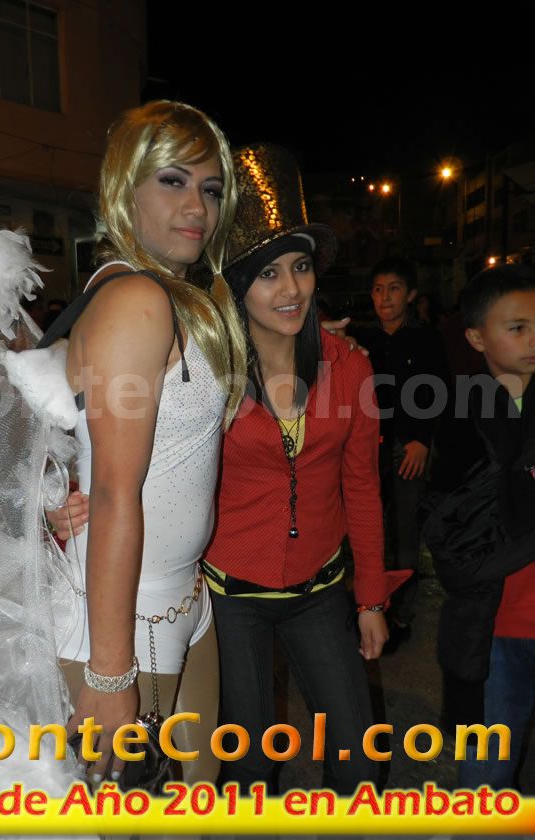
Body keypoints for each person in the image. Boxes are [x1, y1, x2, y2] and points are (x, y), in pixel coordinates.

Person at [200, 143, 411, 794]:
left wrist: (371, 599)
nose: (291, 289)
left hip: (320, 590)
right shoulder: (205, 374)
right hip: (230, 598)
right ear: (238, 284)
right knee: (248, 764)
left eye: (301, 267)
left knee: (359, 757)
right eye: (268, 274)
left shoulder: (350, 367)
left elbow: (363, 490)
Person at [48, 100, 247, 785]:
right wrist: (110, 674)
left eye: (211, 189)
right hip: (124, 620)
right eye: (172, 180)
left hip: (182, 597)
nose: (197, 206)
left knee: (192, 810)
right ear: (123, 187)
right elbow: (112, 489)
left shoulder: (175, 297)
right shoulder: (137, 300)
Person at [427, 264, 535, 790]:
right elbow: (448, 520)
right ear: (476, 338)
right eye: (517, 328)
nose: (533, 339)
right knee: (489, 764)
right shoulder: (461, 412)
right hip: (498, 620)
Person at [351, 258, 448, 653]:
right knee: (367, 528)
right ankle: (368, 604)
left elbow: (438, 391)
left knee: (406, 530)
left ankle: (402, 613)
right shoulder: (361, 339)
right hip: (366, 448)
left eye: (393, 289)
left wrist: (422, 440)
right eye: (378, 289)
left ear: (410, 295)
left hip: (408, 447)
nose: (385, 297)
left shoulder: (426, 339)